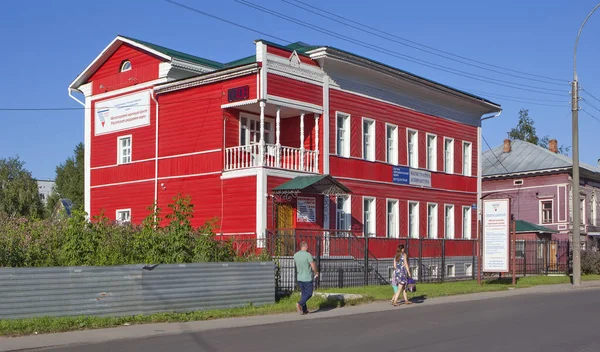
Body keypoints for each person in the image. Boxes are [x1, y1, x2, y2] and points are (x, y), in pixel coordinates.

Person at [293, 241, 319, 315]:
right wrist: (316, 272)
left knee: (304, 294)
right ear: (304, 246)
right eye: (307, 246)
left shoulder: (295, 255)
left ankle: (304, 310)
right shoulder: (308, 255)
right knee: (309, 293)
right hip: (307, 277)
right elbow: (313, 265)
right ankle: (299, 303)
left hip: (299, 277)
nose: (308, 248)